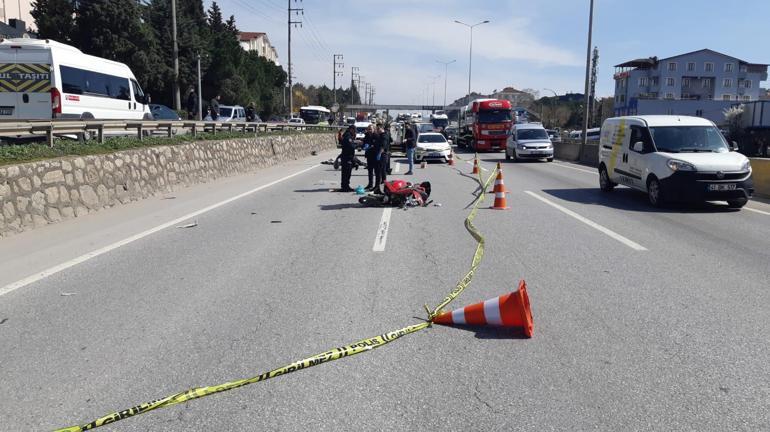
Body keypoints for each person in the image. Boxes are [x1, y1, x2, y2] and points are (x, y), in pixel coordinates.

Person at [337, 125, 357, 192]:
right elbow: (351, 146)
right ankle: (345, 187)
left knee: (346, 173)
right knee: (347, 173)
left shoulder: (347, 135)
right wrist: (357, 145)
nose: (354, 132)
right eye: (354, 131)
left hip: (346, 156)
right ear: (351, 129)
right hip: (347, 157)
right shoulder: (348, 136)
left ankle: (345, 186)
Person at [363, 125, 379, 191]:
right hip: (369, 155)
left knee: (376, 171)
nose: (369, 130)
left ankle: (376, 186)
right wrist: (363, 145)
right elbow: (364, 143)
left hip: (374, 155)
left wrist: (372, 146)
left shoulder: (376, 136)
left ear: (374, 129)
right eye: (368, 129)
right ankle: (370, 184)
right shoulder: (366, 135)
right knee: (370, 171)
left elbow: (377, 145)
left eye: (371, 129)